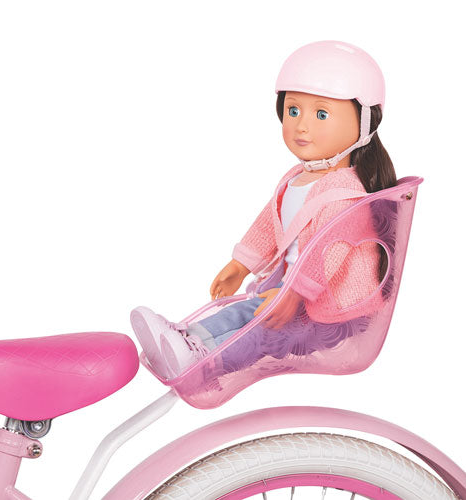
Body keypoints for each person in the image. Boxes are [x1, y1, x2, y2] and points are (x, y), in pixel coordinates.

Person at [131, 40, 397, 379]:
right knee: (244, 312)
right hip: (293, 295)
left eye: (321, 114)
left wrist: (295, 293)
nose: (302, 126)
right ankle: (186, 341)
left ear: (364, 123)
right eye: (293, 111)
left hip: (333, 313)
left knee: (262, 334)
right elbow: (268, 227)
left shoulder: (346, 191)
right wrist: (240, 265)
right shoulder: (297, 178)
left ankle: (205, 360)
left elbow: (328, 252)